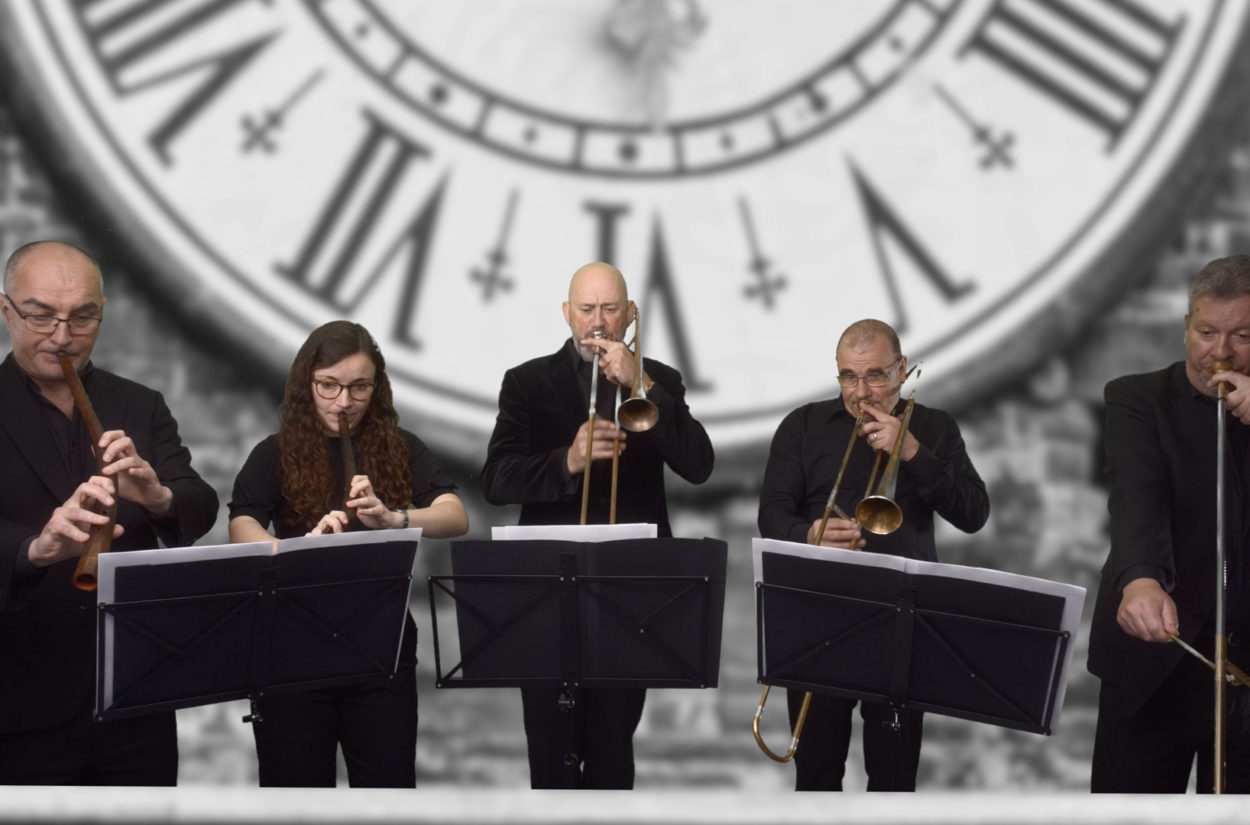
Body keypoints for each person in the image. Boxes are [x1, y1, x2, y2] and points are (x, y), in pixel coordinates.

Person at [480, 260, 714, 788]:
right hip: (544, 594)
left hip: (630, 595)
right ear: (567, 314)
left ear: (631, 315)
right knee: (550, 755)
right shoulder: (526, 383)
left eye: (611, 309)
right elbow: (496, 480)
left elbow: (699, 466)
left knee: (612, 756)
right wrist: (568, 460)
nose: (599, 322)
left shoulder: (662, 380)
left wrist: (645, 384)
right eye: (586, 309)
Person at [0, 241, 219, 785]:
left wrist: (156, 496)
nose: (61, 336)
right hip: (18, 701)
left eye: (82, 317)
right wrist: (36, 549)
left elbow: (199, 502)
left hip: (135, 698)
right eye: (40, 315)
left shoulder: (139, 404)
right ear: (5, 310)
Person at [227, 320, 468, 787]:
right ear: (306, 384)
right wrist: (295, 551)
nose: (344, 402)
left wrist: (396, 518)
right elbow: (241, 526)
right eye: (329, 386)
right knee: (295, 797)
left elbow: (455, 514)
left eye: (360, 387)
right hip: (292, 650)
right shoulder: (274, 452)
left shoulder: (400, 447)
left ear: (376, 388)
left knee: (386, 794)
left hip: (381, 645)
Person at [757, 318, 989, 791]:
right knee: (817, 776)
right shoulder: (802, 426)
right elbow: (771, 513)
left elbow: (973, 513)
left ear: (902, 370)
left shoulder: (934, 428)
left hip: (902, 624)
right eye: (848, 377)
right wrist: (809, 533)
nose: (861, 393)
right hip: (817, 619)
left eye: (876, 376)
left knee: (894, 778)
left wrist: (913, 452)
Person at [1089, 254, 1250, 793]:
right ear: (1186, 327)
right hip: (1157, 660)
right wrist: (1140, 579)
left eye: (1243, 336)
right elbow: (1137, 495)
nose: (1220, 353)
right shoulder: (1136, 399)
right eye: (1206, 332)